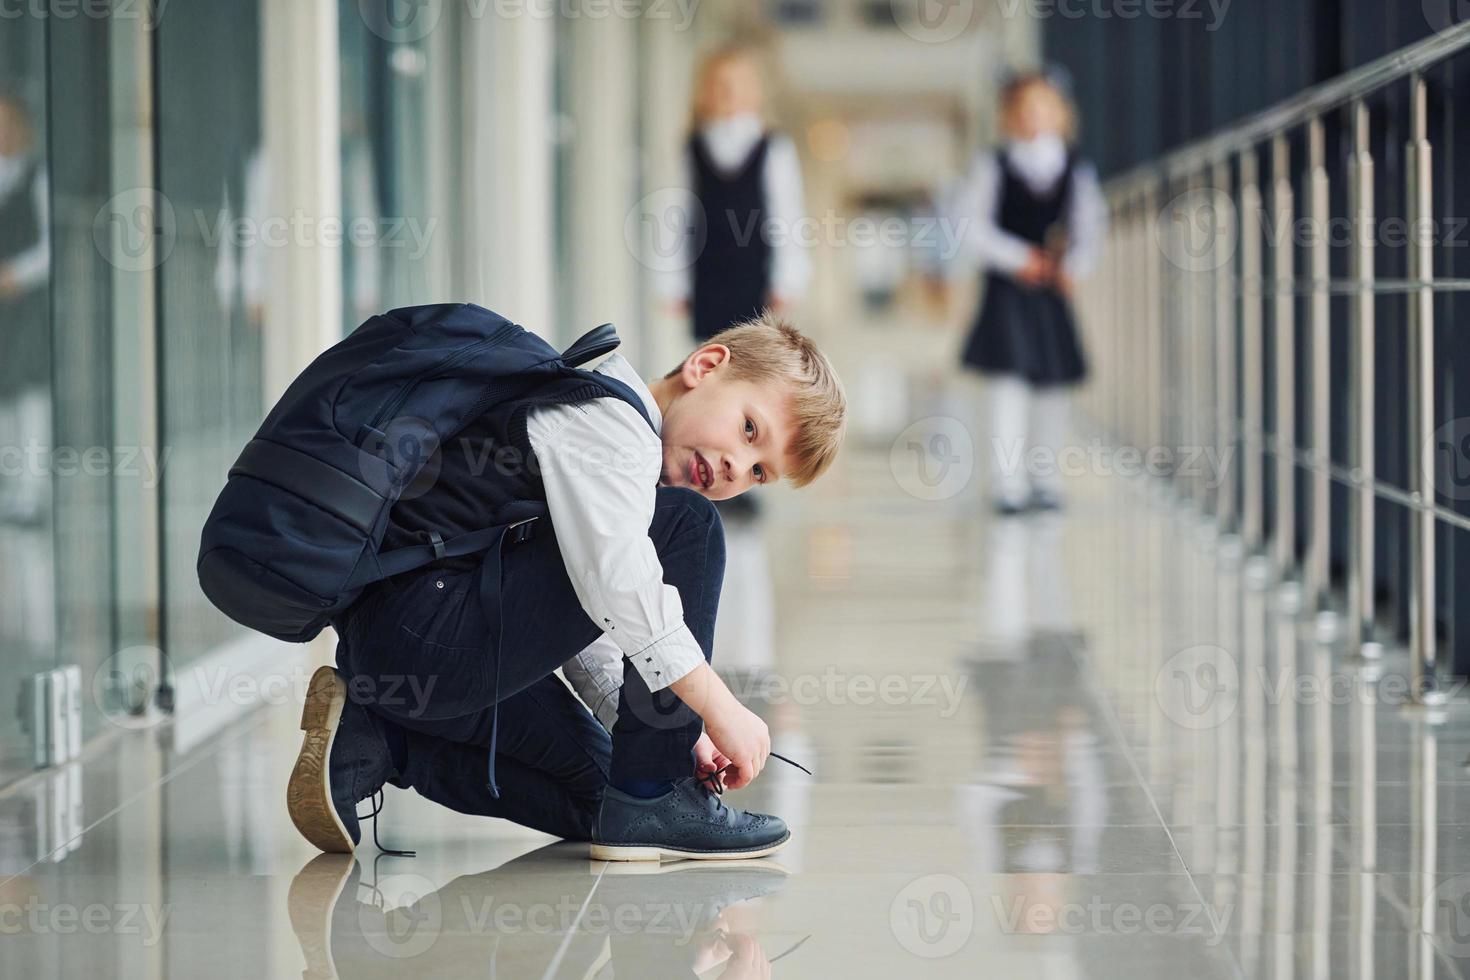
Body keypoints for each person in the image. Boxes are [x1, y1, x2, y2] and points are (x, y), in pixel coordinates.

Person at [285, 313, 846, 861]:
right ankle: (659, 789)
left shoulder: (616, 441)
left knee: (612, 805)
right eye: (749, 430)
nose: (736, 466)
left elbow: (585, 620)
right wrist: (719, 712)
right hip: (427, 633)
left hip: (414, 655)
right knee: (688, 524)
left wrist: (673, 726)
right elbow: (618, 589)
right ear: (706, 364)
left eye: (757, 473)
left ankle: (380, 740)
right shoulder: (606, 423)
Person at [950, 70, 1105, 514]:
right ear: (1008, 116)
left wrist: (1073, 265)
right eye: (1024, 108)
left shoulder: (1075, 168)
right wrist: (1019, 259)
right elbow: (972, 227)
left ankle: (1045, 478)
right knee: (1006, 384)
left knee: (1052, 387)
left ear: (1062, 115)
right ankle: (1006, 482)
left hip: (1051, 292)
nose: (1033, 116)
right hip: (1007, 291)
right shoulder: (993, 164)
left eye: (1043, 107)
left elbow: (1088, 227)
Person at [661, 43, 811, 341]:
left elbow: (788, 215)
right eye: (719, 84)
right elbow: (675, 214)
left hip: (755, 277)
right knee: (709, 352)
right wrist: (671, 281)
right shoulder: (691, 148)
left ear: (755, 92)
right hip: (707, 274)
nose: (728, 92)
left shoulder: (774, 148)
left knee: (750, 353)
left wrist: (788, 280)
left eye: (737, 84)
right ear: (703, 92)